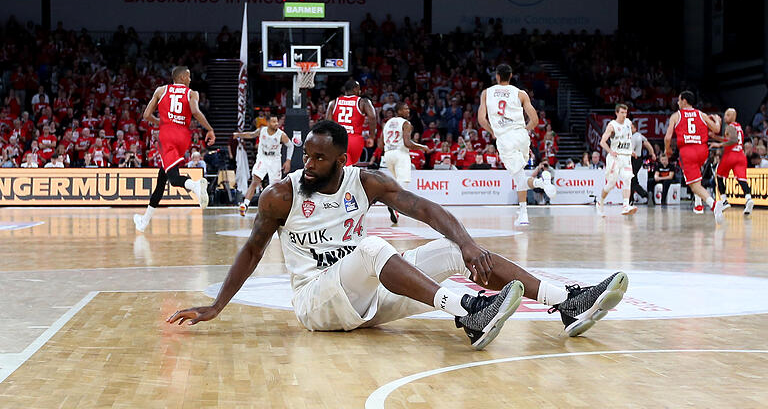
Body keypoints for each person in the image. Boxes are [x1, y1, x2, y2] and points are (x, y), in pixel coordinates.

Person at [167, 121, 629, 349]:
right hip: (316, 302)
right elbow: (251, 251)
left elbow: (423, 208)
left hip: (366, 301)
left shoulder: (364, 182)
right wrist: (216, 306)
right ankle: (468, 311)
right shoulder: (279, 196)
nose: (308, 165)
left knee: (449, 248)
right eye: (306, 156)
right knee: (371, 247)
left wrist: (466, 244)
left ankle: (565, 300)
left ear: (341, 162)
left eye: (319, 159)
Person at [133, 66, 216, 232]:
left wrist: (163, 123)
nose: (191, 79)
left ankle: (195, 186)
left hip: (167, 136)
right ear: (183, 77)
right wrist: (209, 129)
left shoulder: (161, 90)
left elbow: (147, 115)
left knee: (173, 178)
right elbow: (195, 112)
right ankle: (144, 222)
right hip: (183, 137)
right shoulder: (192, 93)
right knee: (161, 182)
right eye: (189, 76)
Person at [477, 64, 556, 226]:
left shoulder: (487, 93)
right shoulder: (520, 93)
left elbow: (481, 120)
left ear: (497, 76)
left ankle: (540, 184)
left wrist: (493, 132)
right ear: (511, 76)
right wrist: (525, 130)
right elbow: (535, 120)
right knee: (519, 175)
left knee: (520, 178)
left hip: (505, 138)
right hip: (521, 136)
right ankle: (523, 212)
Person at [664, 91, 724, 223]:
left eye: (679, 100)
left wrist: (667, 149)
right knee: (696, 179)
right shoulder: (701, 114)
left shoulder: (676, 115)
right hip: (702, 150)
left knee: (694, 185)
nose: (678, 103)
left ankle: (714, 205)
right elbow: (716, 129)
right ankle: (698, 204)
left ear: (684, 101)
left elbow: (668, 137)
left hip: (687, 151)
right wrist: (718, 121)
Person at [233, 116, 294, 217]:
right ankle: (245, 205)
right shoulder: (262, 130)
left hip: (275, 160)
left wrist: (288, 161)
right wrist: (239, 135)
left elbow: (290, 146)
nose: (276, 124)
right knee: (255, 181)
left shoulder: (281, 135)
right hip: (263, 158)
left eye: (277, 121)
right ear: (268, 122)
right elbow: (251, 134)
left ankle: (275, 208)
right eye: (274, 121)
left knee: (275, 186)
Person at [380, 102, 429, 224]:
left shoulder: (387, 123)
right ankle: (394, 206)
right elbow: (407, 143)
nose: (408, 110)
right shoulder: (406, 123)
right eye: (405, 109)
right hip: (400, 154)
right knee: (404, 182)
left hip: (388, 154)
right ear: (399, 111)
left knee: (397, 182)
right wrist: (422, 147)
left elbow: (380, 143)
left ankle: (393, 205)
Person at [595, 104, 637, 216]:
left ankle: (625, 206)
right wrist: (610, 151)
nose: (624, 115)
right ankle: (600, 202)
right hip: (615, 157)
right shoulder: (612, 125)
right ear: (617, 113)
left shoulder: (628, 123)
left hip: (626, 156)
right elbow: (602, 142)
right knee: (611, 184)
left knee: (628, 179)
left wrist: (631, 150)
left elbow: (628, 139)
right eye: (622, 112)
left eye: (625, 113)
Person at [711, 108, 754, 215]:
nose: (725, 117)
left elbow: (733, 140)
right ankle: (748, 199)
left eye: (727, 115)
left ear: (732, 116)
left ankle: (724, 201)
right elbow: (731, 139)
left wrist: (718, 144)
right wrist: (715, 137)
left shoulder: (729, 126)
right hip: (741, 155)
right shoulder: (738, 127)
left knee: (719, 176)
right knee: (741, 179)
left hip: (730, 155)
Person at [326, 80, 377, 166]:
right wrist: (371, 137)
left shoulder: (333, 102)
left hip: (338, 139)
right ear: (355, 89)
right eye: (359, 89)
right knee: (348, 168)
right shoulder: (363, 102)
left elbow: (327, 123)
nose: (360, 91)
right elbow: (372, 117)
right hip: (355, 139)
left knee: (342, 168)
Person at [630, 122, 657, 205]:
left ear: (635, 128)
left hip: (634, 159)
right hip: (638, 159)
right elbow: (647, 143)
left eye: (631, 128)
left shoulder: (634, 137)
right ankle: (631, 200)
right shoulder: (639, 135)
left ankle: (644, 194)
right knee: (632, 179)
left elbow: (630, 150)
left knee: (631, 179)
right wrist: (652, 153)